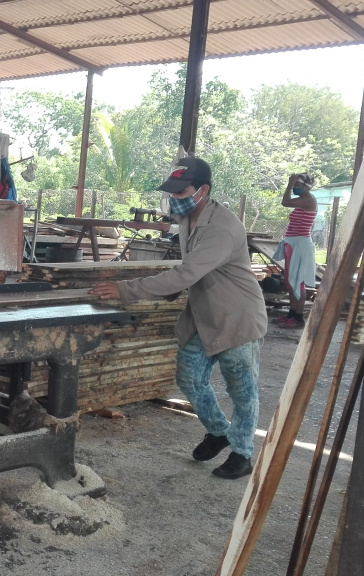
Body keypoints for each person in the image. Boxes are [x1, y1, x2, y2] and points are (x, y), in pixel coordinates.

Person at [89, 157, 267, 480]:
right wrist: (169, 288)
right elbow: (190, 271)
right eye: (172, 192)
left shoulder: (223, 228)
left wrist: (124, 289)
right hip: (203, 314)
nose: (175, 198)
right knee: (189, 377)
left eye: (181, 191)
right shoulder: (186, 220)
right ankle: (217, 431)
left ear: (203, 191)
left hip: (238, 317)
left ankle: (242, 453)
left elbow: (185, 272)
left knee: (242, 389)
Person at [273, 173, 318, 329]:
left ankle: (298, 317)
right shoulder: (302, 202)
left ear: (307, 187)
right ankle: (291, 315)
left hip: (300, 244)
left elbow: (285, 202)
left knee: (298, 282)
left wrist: (290, 183)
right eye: (295, 185)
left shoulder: (309, 200)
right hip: (294, 243)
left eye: (298, 185)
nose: (295, 188)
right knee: (291, 281)